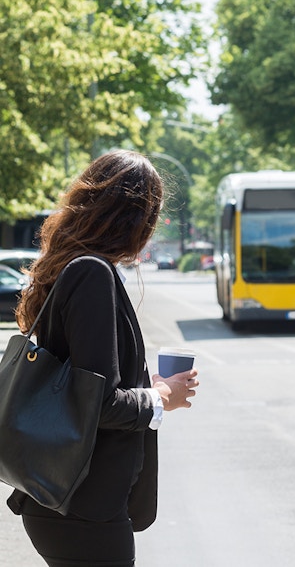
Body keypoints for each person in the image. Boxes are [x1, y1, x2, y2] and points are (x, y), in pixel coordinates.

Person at [11, 149, 199, 567]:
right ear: (133, 217)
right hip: (83, 507)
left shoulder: (74, 268)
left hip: (64, 503)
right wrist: (159, 397)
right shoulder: (91, 273)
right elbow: (97, 401)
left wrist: (152, 391)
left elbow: (84, 385)